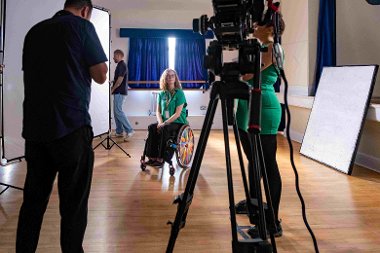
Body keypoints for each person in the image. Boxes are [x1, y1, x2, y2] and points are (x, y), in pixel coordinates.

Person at [17, 1, 108, 252]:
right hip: (71, 127)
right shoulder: (82, 27)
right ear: (86, 11)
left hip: (36, 130)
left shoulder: (35, 31)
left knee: (32, 205)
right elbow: (101, 75)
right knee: (73, 208)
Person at [234, 14, 286, 237]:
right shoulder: (259, 46)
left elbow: (246, 75)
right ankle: (255, 202)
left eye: (258, 24)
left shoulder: (270, 48)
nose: (253, 26)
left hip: (263, 107)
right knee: (253, 161)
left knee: (267, 164)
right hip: (246, 105)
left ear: (270, 28)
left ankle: (272, 221)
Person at [144, 69, 188, 167]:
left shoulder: (179, 93)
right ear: (164, 78)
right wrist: (160, 122)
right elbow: (158, 111)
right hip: (164, 122)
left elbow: (177, 114)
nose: (170, 77)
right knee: (152, 127)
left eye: (172, 76)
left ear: (175, 78)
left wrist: (164, 124)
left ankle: (161, 159)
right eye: (168, 76)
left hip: (177, 122)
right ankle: (152, 157)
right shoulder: (161, 94)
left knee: (165, 128)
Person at [111, 49, 135, 141]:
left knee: (118, 111)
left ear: (118, 56)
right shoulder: (120, 65)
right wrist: (113, 82)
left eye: (114, 56)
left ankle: (130, 130)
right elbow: (118, 78)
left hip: (120, 92)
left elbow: (120, 79)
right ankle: (119, 131)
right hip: (119, 91)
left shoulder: (122, 65)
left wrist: (113, 88)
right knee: (116, 112)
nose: (113, 58)